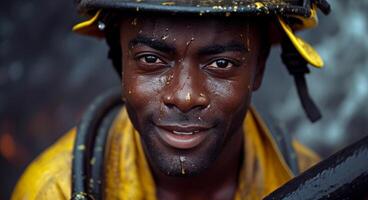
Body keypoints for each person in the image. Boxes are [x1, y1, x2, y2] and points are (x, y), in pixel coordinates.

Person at [12, 0, 331, 199]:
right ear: (119, 60)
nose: (184, 96)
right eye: (151, 60)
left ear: (258, 69)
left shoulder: (315, 181)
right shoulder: (53, 192)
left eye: (221, 64)